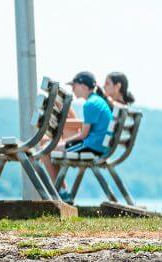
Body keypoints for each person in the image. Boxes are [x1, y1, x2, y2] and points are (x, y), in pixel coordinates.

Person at [41, 71, 114, 200]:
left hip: (92, 146)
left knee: (46, 149)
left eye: (74, 86)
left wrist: (65, 141)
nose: (72, 89)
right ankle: (62, 192)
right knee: (51, 147)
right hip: (98, 145)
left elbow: (83, 135)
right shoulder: (97, 101)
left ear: (84, 87)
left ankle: (61, 193)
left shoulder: (90, 104)